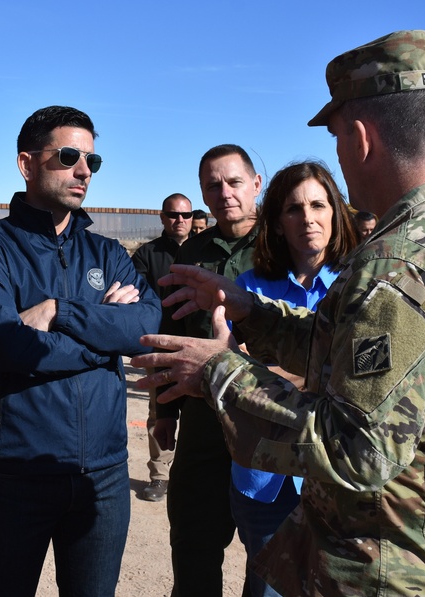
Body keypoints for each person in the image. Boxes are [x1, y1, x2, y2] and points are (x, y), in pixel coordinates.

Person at [134, 30, 425, 595]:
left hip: (402, 567)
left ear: (357, 137)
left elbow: (355, 448)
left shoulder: (399, 266)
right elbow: (369, 361)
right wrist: (252, 310)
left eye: (335, 137)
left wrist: (217, 370)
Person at [0, 105, 161, 596]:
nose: (84, 170)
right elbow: (11, 347)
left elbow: (144, 326)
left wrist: (60, 313)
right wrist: (102, 339)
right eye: (69, 156)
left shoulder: (108, 253)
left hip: (105, 478)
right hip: (17, 474)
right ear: (27, 164)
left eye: (92, 160)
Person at [230, 160, 358, 597]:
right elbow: (228, 373)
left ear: (335, 213)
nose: (308, 218)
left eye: (318, 205)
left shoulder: (362, 285)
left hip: (340, 473)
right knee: (267, 586)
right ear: (277, 223)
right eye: (293, 209)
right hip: (265, 473)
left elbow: (360, 380)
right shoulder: (249, 289)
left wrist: (268, 368)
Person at [154, 143, 262, 596]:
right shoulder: (192, 253)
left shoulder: (287, 245)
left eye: (234, 182)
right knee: (195, 543)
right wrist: (165, 410)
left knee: (270, 554)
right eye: (212, 185)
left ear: (256, 184)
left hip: (269, 422)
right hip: (203, 422)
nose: (225, 194)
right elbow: (171, 332)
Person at [131, 192, 193, 502]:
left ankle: (194, 474)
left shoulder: (204, 252)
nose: (180, 220)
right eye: (173, 214)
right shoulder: (146, 256)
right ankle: (159, 475)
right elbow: (136, 299)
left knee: (200, 413)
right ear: (162, 217)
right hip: (162, 345)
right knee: (160, 412)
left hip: (200, 346)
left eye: (186, 214)